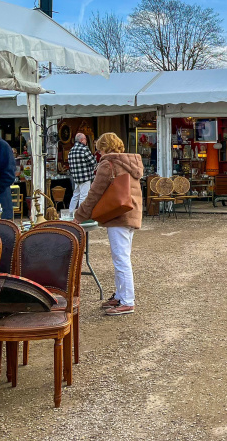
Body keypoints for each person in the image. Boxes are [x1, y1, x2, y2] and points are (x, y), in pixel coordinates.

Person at [74, 133, 144, 316]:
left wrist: (79, 216)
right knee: (123, 257)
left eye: (98, 148)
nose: (97, 152)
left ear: (103, 148)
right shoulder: (131, 162)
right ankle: (121, 295)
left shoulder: (108, 164)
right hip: (131, 213)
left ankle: (127, 301)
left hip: (118, 215)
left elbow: (94, 193)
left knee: (121, 259)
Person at [68, 132, 97, 210]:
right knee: (84, 196)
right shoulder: (84, 149)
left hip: (76, 177)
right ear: (81, 140)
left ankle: (70, 212)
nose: (86, 141)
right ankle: (81, 214)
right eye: (85, 139)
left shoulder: (71, 150)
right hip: (85, 176)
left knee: (75, 195)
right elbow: (93, 162)